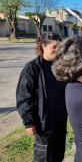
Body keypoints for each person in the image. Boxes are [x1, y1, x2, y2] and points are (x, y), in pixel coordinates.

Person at [16, 33, 67, 162]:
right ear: (43, 46)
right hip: (43, 123)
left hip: (60, 121)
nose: (58, 50)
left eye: (60, 47)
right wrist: (28, 122)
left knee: (58, 155)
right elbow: (24, 96)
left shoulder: (61, 67)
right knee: (43, 157)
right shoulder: (32, 68)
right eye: (54, 46)